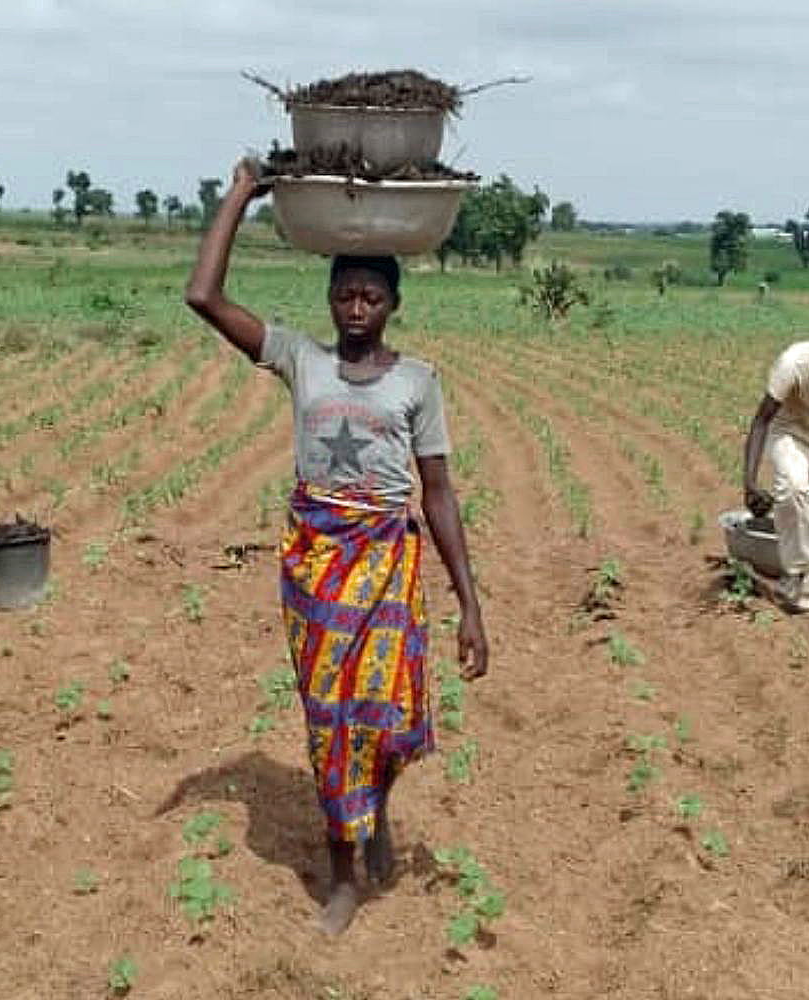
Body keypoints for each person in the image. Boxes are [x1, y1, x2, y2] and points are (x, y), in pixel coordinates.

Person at [185, 161, 489, 934]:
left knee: (384, 716)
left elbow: (440, 494)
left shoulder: (418, 382)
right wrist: (241, 196)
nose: (356, 307)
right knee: (333, 716)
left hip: (388, 560)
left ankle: (373, 809)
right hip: (318, 562)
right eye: (344, 293)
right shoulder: (300, 358)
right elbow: (204, 298)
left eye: (371, 295)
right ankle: (343, 874)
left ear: (394, 302)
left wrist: (471, 606)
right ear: (329, 299)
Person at [743, 310, 809, 613]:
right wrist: (749, 483)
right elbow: (762, 421)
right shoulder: (796, 361)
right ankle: (792, 572)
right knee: (793, 488)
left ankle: (807, 593)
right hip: (791, 434)